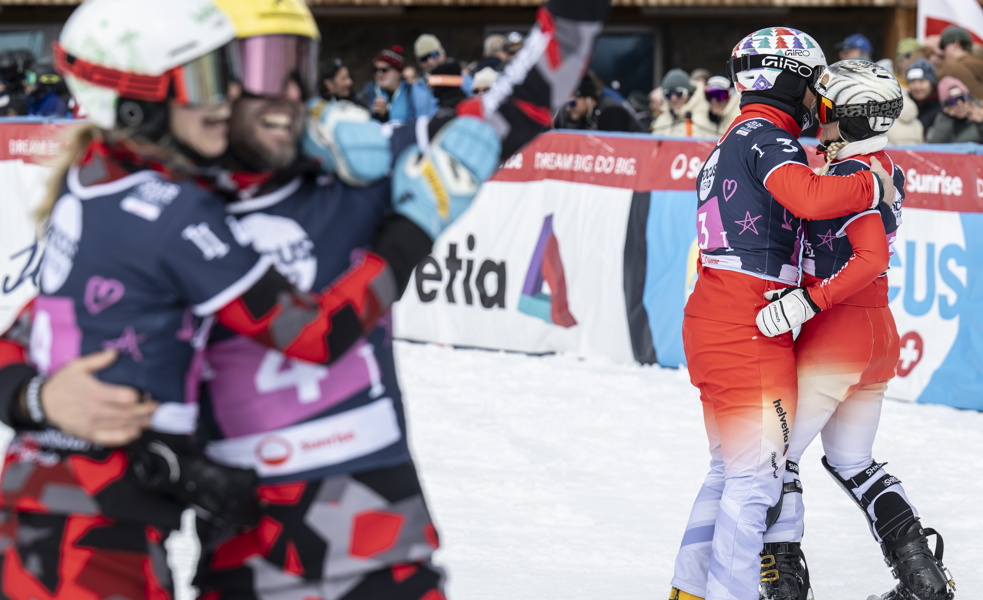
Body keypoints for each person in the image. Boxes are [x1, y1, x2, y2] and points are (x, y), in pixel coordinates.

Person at [0, 2, 615, 599]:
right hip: (240, 554)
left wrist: (575, 14)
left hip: (378, 541)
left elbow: (519, 107)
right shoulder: (155, 200)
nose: (292, 91)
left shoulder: (360, 171)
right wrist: (38, 398)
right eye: (264, 67)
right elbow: (34, 335)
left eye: (303, 65)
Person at [669, 27, 896, 600]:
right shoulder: (765, 136)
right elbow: (812, 199)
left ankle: (689, 591)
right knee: (755, 481)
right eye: (814, 87)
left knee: (728, 472)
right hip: (749, 323)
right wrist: (873, 179)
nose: (818, 103)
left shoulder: (735, 137)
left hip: (718, 315)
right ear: (789, 79)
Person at [755, 59, 955, 600]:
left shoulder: (851, 175)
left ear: (856, 119)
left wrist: (807, 300)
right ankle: (923, 579)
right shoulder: (878, 163)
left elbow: (868, 257)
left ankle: (783, 585)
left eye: (824, 109)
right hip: (875, 333)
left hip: (839, 330)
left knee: (778, 458)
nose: (815, 117)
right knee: (852, 461)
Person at [359, 45, 432, 124]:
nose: (379, 74)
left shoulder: (413, 92)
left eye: (384, 70)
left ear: (398, 72)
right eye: (375, 70)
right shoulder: (368, 92)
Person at [927, 75, 983, 144]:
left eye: (963, 98)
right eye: (953, 101)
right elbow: (935, 146)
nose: (960, 104)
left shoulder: (979, 116)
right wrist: (947, 118)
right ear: (945, 106)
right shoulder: (942, 121)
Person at [557, 72, 644, 132]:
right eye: (567, 104)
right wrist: (574, 122)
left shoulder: (612, 111)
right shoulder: (586, 115)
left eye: (573, 104)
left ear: (590, 101)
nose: (568, 109)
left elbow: (612, 146)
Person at [936, 26, 983, 103]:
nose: (943, 52)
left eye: (944, 47)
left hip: (957, 112)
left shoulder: (950, 67)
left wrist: (926, 49)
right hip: (979, 113)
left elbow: (925, 79)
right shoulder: (982, 64)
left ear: (956, 44)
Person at [650, 68, 696, 136]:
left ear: (689, 94)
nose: (673, 99)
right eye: (668, 94)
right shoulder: (661, 121)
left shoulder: (704, 118)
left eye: (679, 93)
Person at [906, 58, 941, 132]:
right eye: (912, 81)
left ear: (932, 83)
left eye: (922, 81)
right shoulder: (904, 104)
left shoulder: (941, 107)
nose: (917, 86)